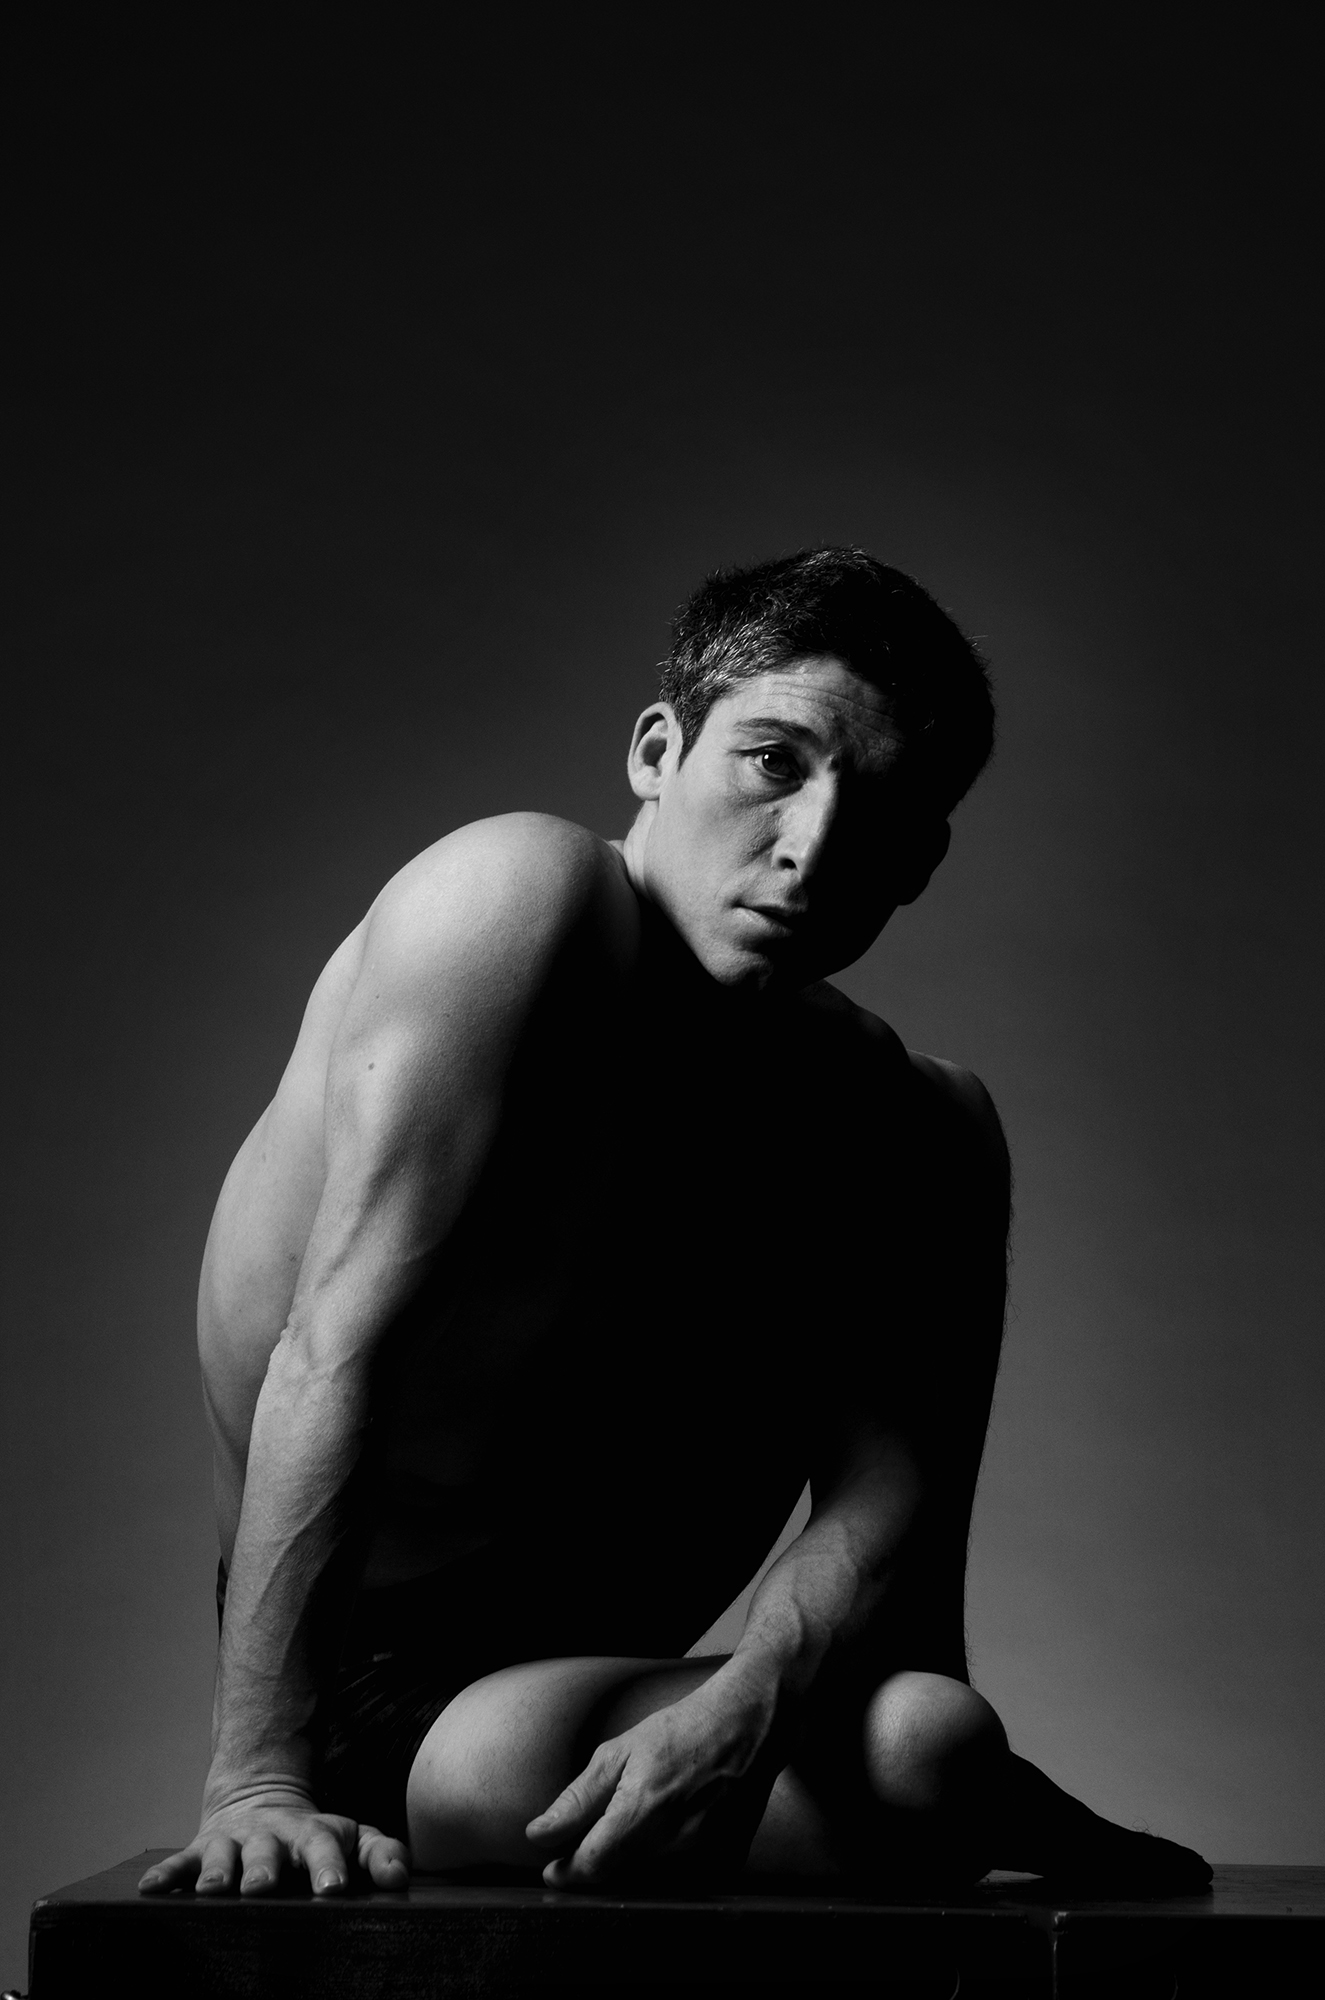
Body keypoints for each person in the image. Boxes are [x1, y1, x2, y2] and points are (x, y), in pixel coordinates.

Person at [140, 548, 1212, 1901]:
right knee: (928, 1764)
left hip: (638, 1687)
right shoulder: (513, 902)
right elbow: (330, 1349)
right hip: (367, 1691)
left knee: (927, 1732)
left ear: (920, 862)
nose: (811, 848)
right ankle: (934, 1798)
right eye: (772, 763)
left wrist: (762, 1701)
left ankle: (929, 1792)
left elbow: (897, 1521)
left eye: (878, 810)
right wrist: (258, 1780)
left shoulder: (899, 1120)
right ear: (659, 751)